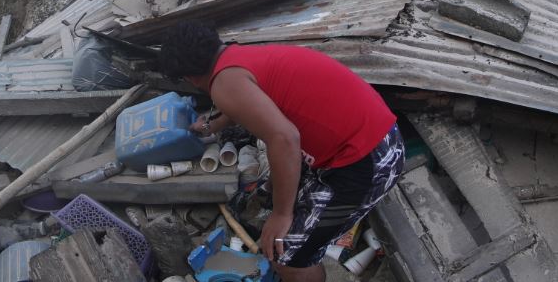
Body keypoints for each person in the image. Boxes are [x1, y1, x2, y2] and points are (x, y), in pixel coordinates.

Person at [159, 22, 404, 282]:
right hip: (374, 135)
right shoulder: (237, 56)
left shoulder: (224, 85)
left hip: (367, 160)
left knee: (287, 256)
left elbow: (285, 138)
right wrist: (211, 125)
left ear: (190, 78)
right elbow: (244, 103)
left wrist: (281, 214)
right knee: (272, 192)